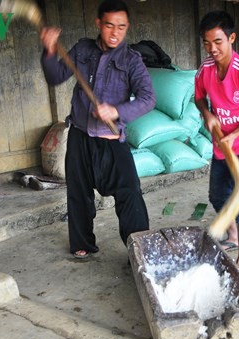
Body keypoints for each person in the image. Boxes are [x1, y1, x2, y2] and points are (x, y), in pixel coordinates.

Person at [40, 0, 156, 258]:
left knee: (130, 193)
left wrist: (116, 111)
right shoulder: (83, 50)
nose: (115, 32)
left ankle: (139, 251)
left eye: (122, 27)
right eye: (110, 25)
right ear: (99, 24)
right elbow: (55, 76)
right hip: (80, 136)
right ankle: (82, 242)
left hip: (112, 140)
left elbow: (148, 99)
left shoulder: (131, 60)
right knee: (78, 192)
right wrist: (49, 50)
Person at [194, 10, 239, 277]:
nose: (212, 48)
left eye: (218, 41)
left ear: (231, 38)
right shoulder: (205, 69)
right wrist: (208, 114)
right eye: (207, 43)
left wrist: (235, 135)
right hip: (221, 142)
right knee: (216, 194)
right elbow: (199, 97)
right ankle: (233, 234)